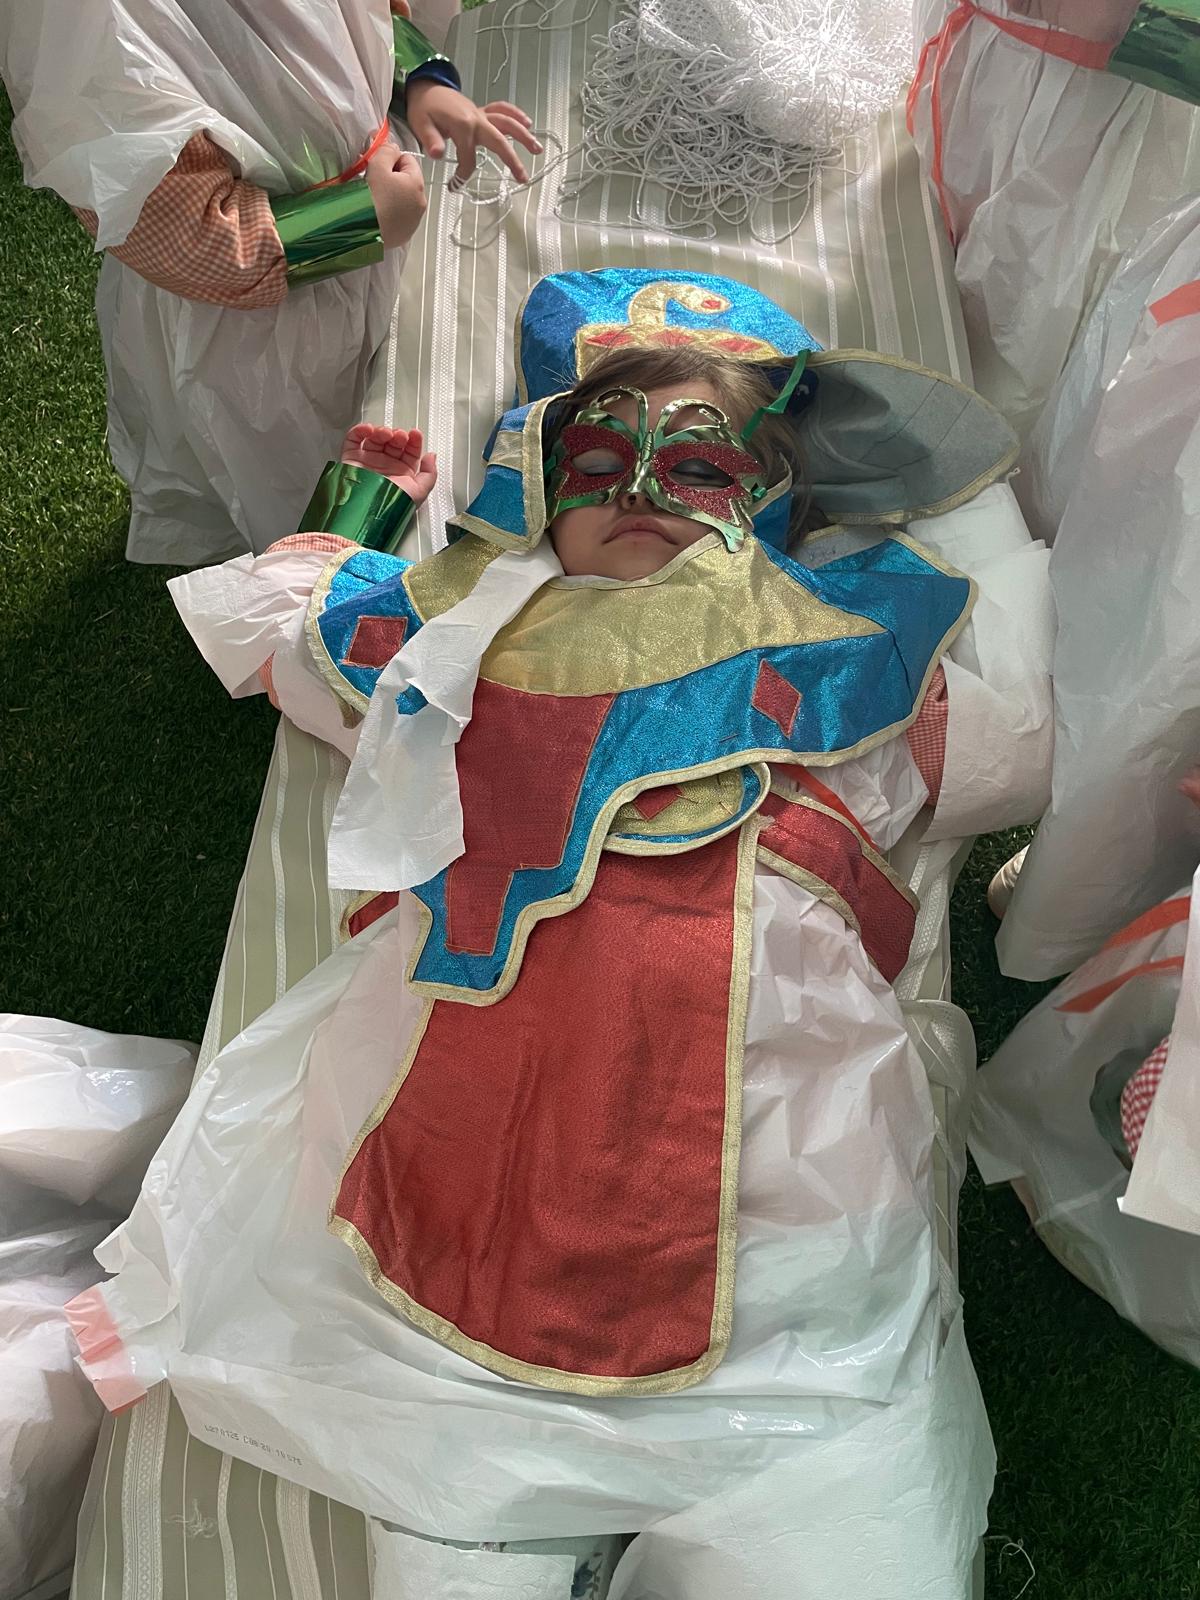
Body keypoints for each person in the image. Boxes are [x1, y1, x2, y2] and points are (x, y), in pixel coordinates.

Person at [70, 269, 1054, 1597]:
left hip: (790, 1212)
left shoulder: (851, 645)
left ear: (770, 492)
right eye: (597, 461)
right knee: (460, 1531)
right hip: (475, 1193)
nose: (642, 490)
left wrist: (962, 505)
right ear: (536, 478)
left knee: (853, 1548)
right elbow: (281, 624)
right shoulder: (460, 646)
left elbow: (1017, 750)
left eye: (697, 464)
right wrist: (369, 507)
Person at [0, 0, 539, 565]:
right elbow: (173, 226)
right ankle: (307, 563)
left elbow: (353, 22)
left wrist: (420, 79)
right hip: (263, 327)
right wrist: (359, 217)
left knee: (391, 403)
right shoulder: (92, 21)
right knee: (291, 467)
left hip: (380, 224)